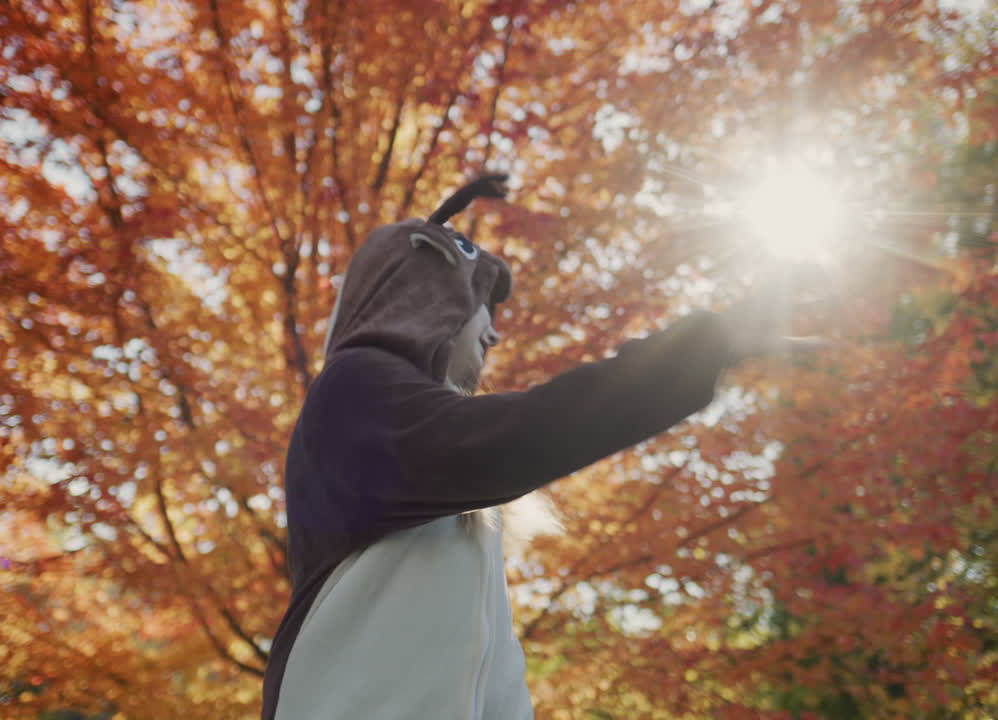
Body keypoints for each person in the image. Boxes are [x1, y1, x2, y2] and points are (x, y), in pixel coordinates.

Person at [260, 175, 820, 720]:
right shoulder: (354, 393)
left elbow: (492, 666)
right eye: (481, 304)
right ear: (429, 295)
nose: (494, 334)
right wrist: (698, 350)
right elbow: (514, 439)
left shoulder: (434, 471)